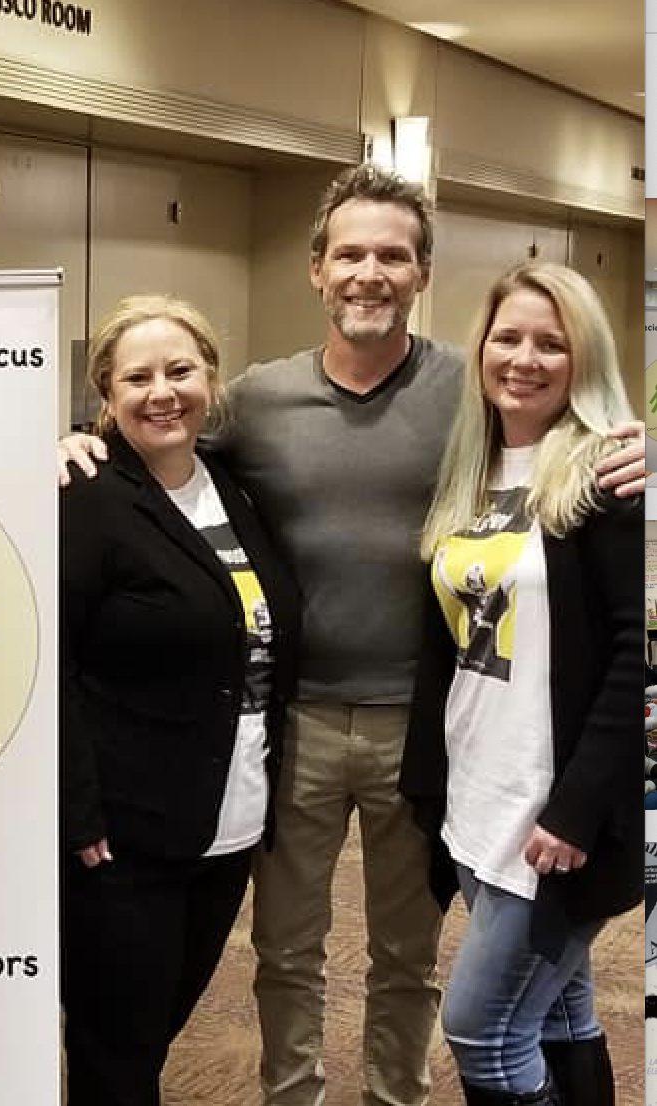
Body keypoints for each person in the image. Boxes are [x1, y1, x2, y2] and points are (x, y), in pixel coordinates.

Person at [58, 163, 646, 1105]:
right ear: (316, 270)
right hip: (293, 726)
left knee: (406, 957)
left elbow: (574, 419)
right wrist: (69, 438)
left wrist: (640, 440)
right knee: (286, 950)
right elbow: (153, 433)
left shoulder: (474, 391)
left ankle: (395, 1098)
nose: (370, 272)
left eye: (393, 255)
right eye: (351, 254)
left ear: (420, 274)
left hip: (429, 727)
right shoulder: (255, 400)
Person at [399, 262, 640, 1105]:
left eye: (551, 343)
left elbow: (625, 661)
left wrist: (576, 809)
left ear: (585, 359)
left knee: (482, 1032)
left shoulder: (609, 474)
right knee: (561, 1012)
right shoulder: (471, 468)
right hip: (478, 788)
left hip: (553, 812)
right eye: (508, 338)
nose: (525, 359)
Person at [59, 296, 299, 1106]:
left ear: (211, 381)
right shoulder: (83, 499)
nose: (161, 392)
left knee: (152, 1031)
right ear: (106, 394)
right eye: (137, 377)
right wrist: (78, 812)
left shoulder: (233, 489)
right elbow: (46, 661)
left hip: (226, 822)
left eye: (180, 371)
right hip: (122, 837)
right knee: (114, 1048)